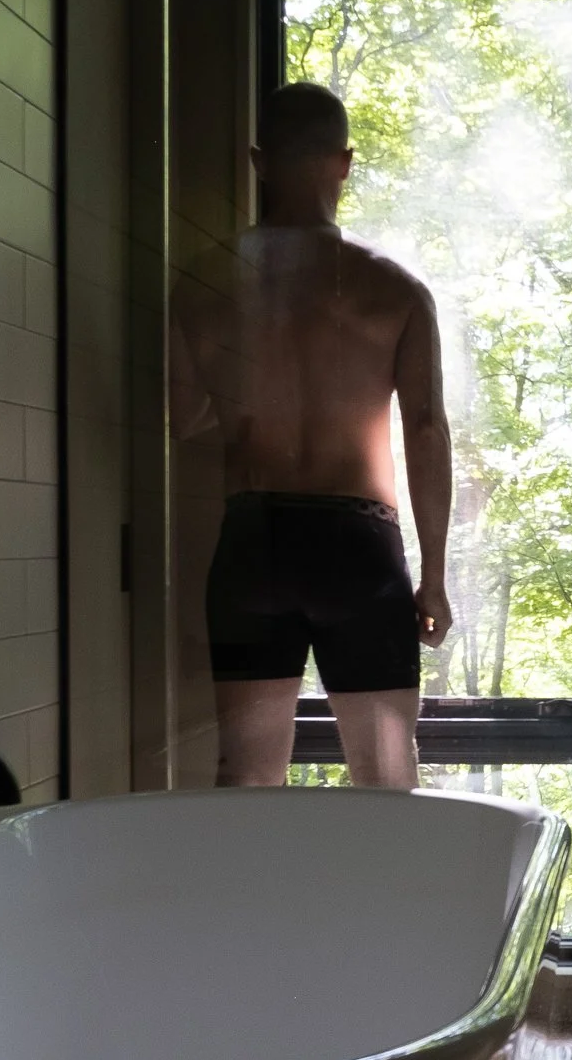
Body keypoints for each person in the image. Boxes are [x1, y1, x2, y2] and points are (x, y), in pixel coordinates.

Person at [171, 83, 452, 787]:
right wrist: (437, 578)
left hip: (253, 541)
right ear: (345, 162)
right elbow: (424, 428)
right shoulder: (394, 288)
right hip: (356, 547)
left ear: (258, 161)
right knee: (387, 778)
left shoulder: (200, 285)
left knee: (246, 778)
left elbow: (179, 416)